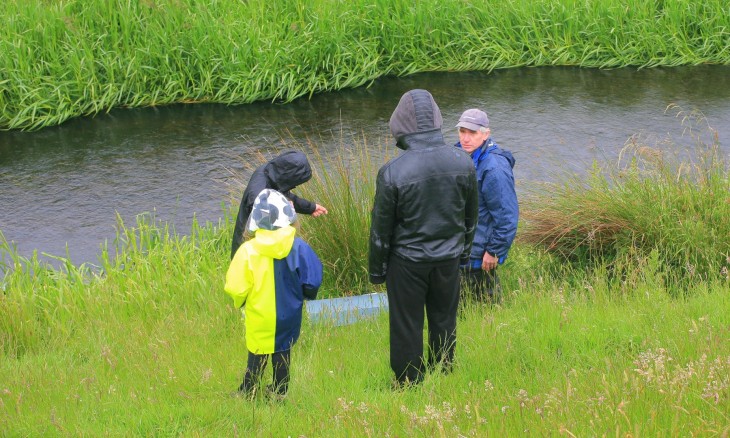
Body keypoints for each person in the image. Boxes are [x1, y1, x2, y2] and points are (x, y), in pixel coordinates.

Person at [369, 89, 478, 387]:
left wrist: (377, 272)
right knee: (444, 318)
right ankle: (443, 371)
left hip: (407, 262)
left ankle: (408, 382)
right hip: (448, 259)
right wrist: (464, 254)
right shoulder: (463, 162)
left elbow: (381, 230)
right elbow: (471, 218)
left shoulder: (392, 172)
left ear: (400, 124)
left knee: (407, 324)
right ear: (436, 121)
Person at [225, 189, 323, 400]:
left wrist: (240, 302)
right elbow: (313, 279)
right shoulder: (299, 247)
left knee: (257, 354)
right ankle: (280, 393)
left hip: (258, 315)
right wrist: (305, 295)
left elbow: (235, 286)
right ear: (289, 217)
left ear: (256, 221)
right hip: (289, 314)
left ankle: (248, 392)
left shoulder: (247, 251)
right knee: (282, 354)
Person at [454, 108, 519, 303]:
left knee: (485, 309)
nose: (466, 138)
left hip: (481, 256)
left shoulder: (494, 168)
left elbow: (507, 216)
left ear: (486, 134)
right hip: (461, 249)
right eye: (462, 131)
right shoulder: (460, 154)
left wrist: (494, 251)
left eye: (472, 133)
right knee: (459, 309)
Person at [230, 150, 328, 260]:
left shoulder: (271, 172)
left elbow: (283, 196)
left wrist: (311, 207)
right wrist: (288, 210)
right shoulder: (258, 195)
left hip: (260, 247)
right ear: (289, 177)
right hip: (250, 250)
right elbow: (269, 227)